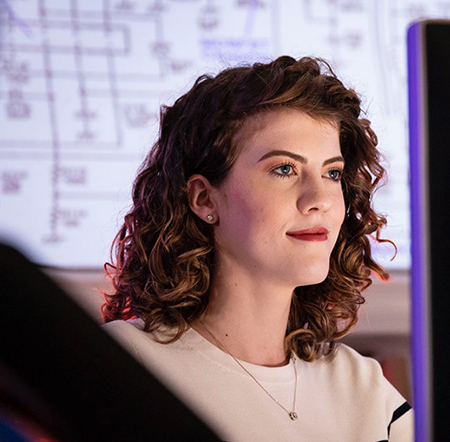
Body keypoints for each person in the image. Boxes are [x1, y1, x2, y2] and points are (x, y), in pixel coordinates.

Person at [101, 55, 413, 441]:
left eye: (331, 173)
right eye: (284, 169)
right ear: (204, 199)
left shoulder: (363, 387)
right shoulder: (124, 364)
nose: (320, 199)